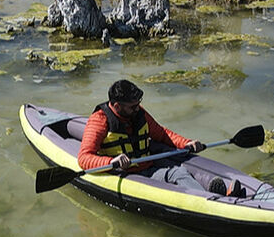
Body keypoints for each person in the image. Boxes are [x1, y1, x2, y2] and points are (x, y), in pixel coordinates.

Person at [77, 80, 246, 197]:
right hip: (127, 174)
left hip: (146, 165)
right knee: (178, 173)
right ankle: (212, 199)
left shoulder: (138, 113)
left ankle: (216, 193)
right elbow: (84, 158)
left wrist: (186, 142)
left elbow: (162, 133)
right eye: (132, 107)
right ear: (116, 105)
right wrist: (111, 161)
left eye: (138, 104)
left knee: (179, 172)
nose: (137, 109)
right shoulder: (99, 121)